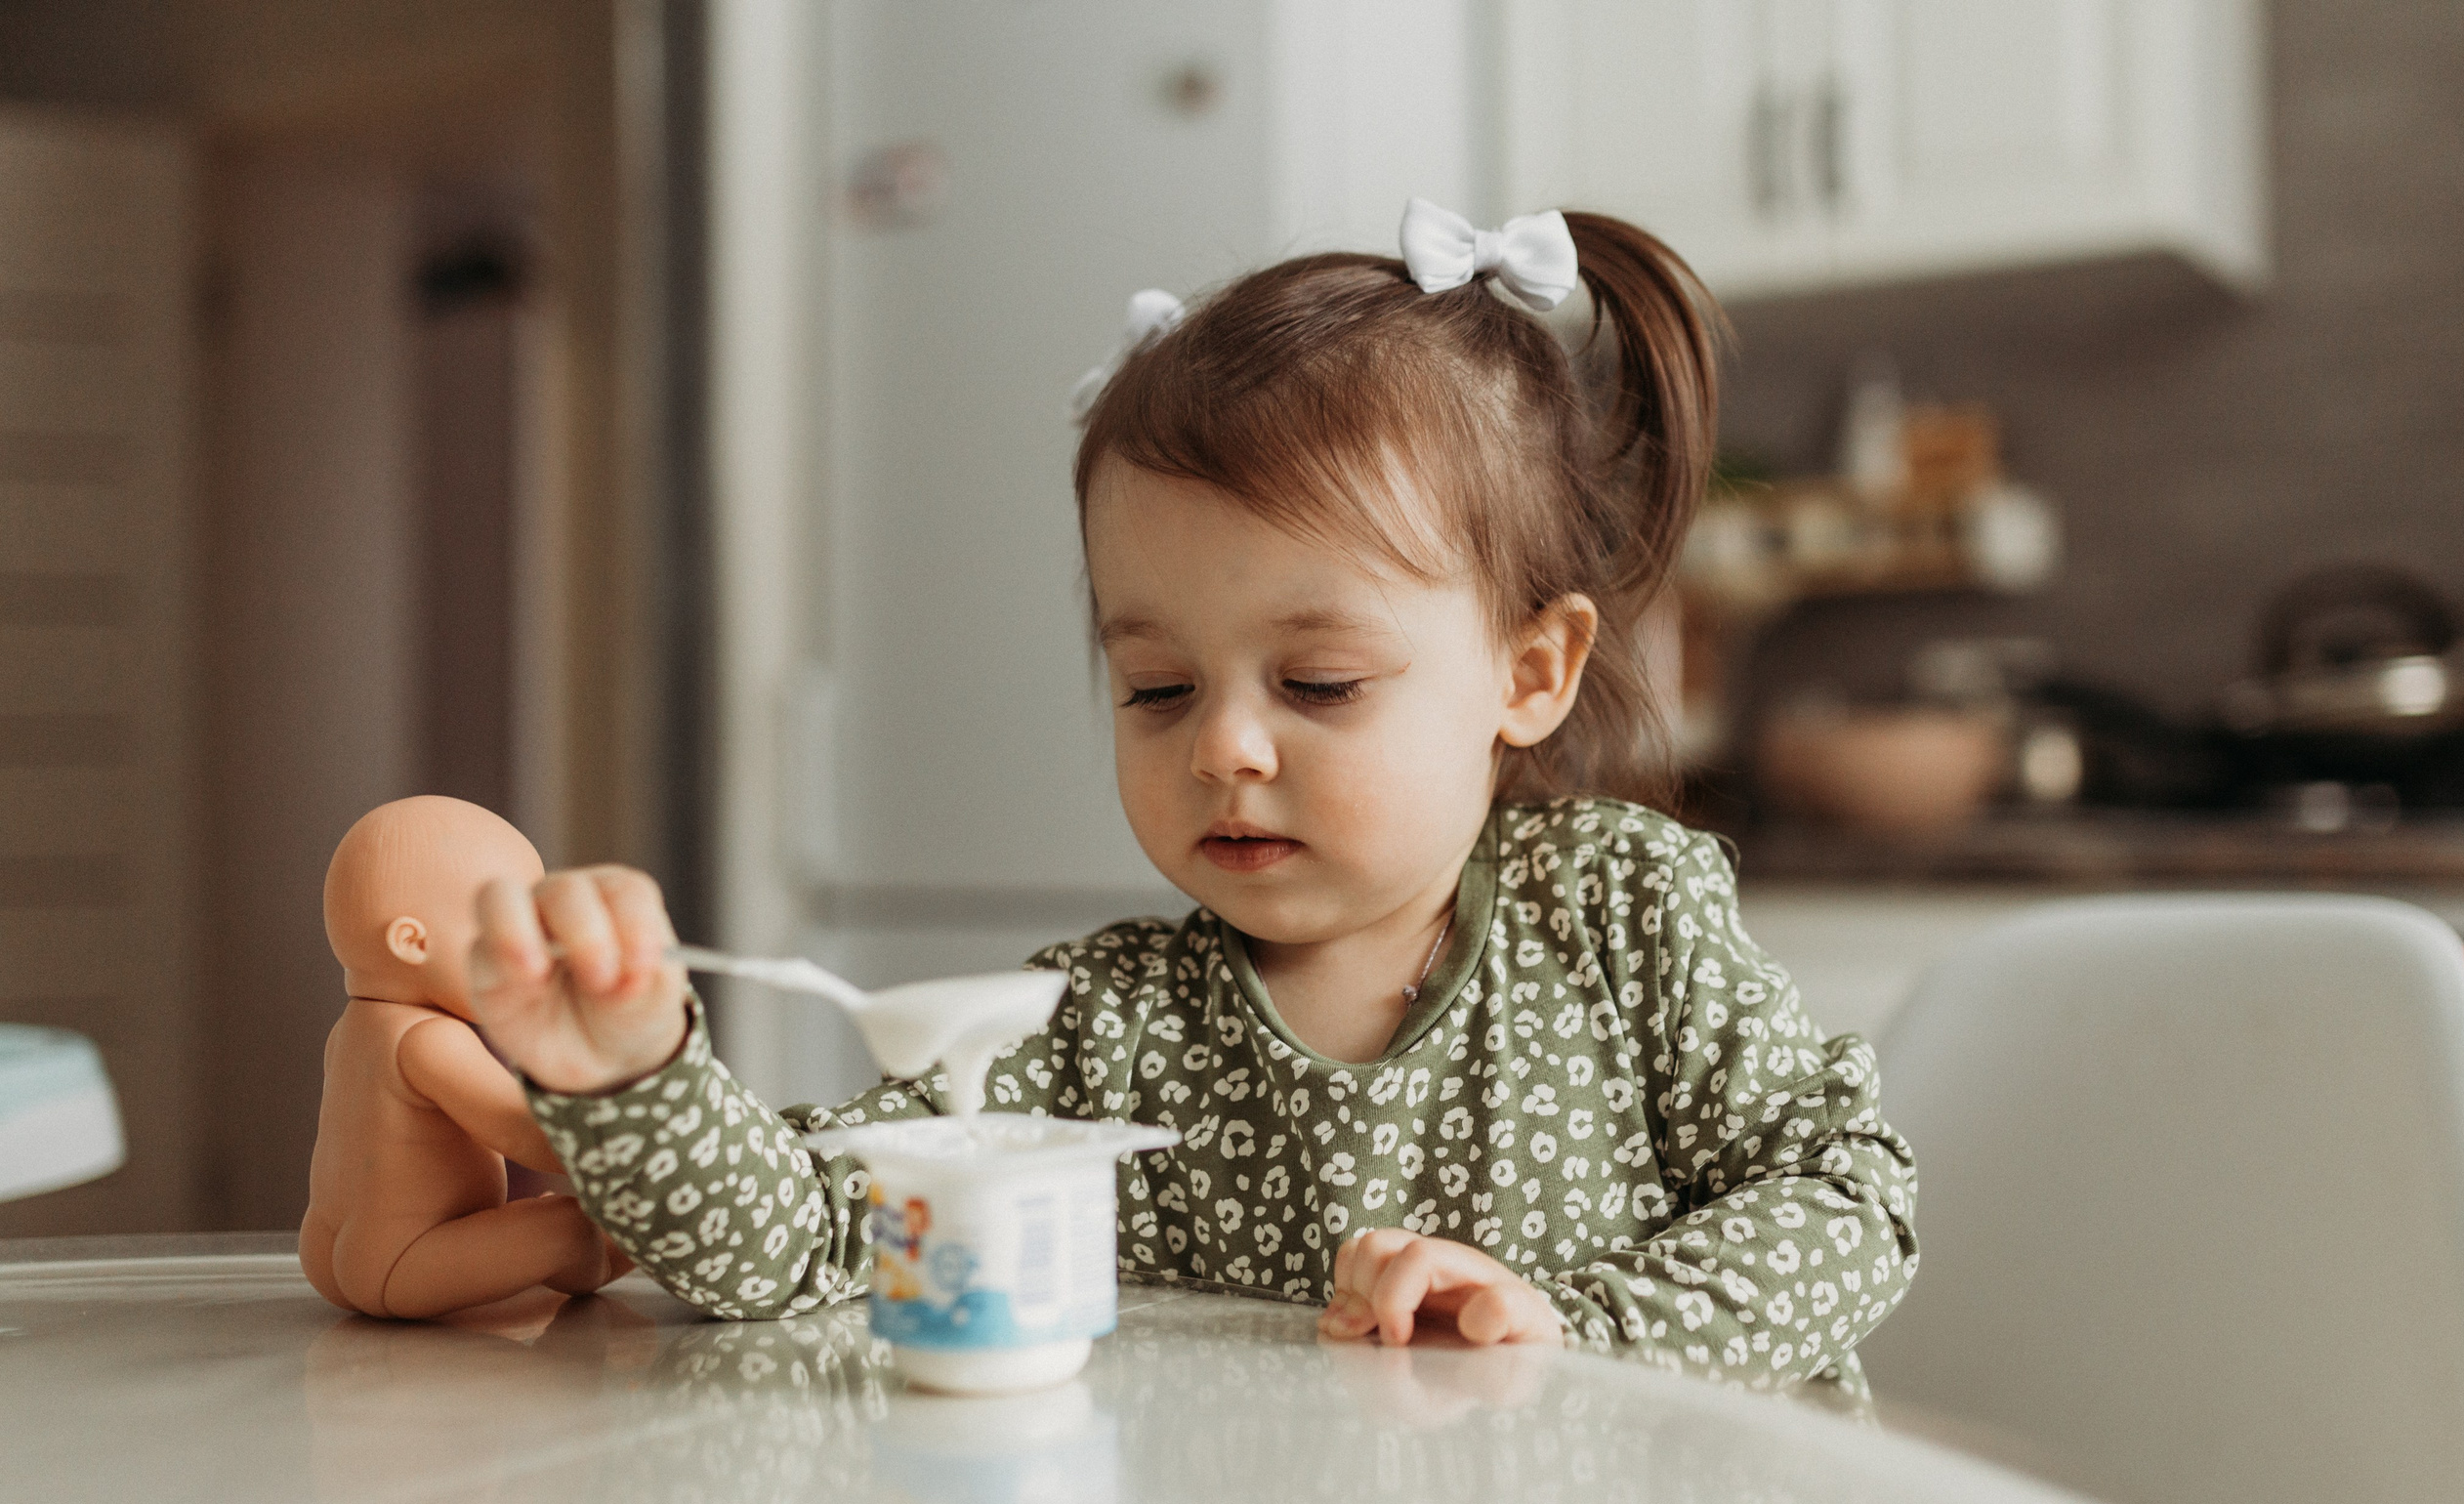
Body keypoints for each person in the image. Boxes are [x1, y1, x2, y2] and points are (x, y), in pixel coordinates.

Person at [470, 200, 1917, 1397]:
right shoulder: (1106, 1026)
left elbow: (1853, 1198)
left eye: (1322, 683)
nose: (1224, 746)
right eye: (1158, 689)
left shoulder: (1622, 916)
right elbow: (808, 1239)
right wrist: (631, 1071)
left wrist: (1575, 1326)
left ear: (1530, 671)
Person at [303, 796, 634, 1318]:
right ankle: (625, 1248)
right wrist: (628, 1144)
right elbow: (522, 1131)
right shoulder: (429, 1039)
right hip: (405, 1261)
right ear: (413, 942)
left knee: (532, 1221)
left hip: (326, 1253)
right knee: (566, 1226)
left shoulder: (352, 1031)